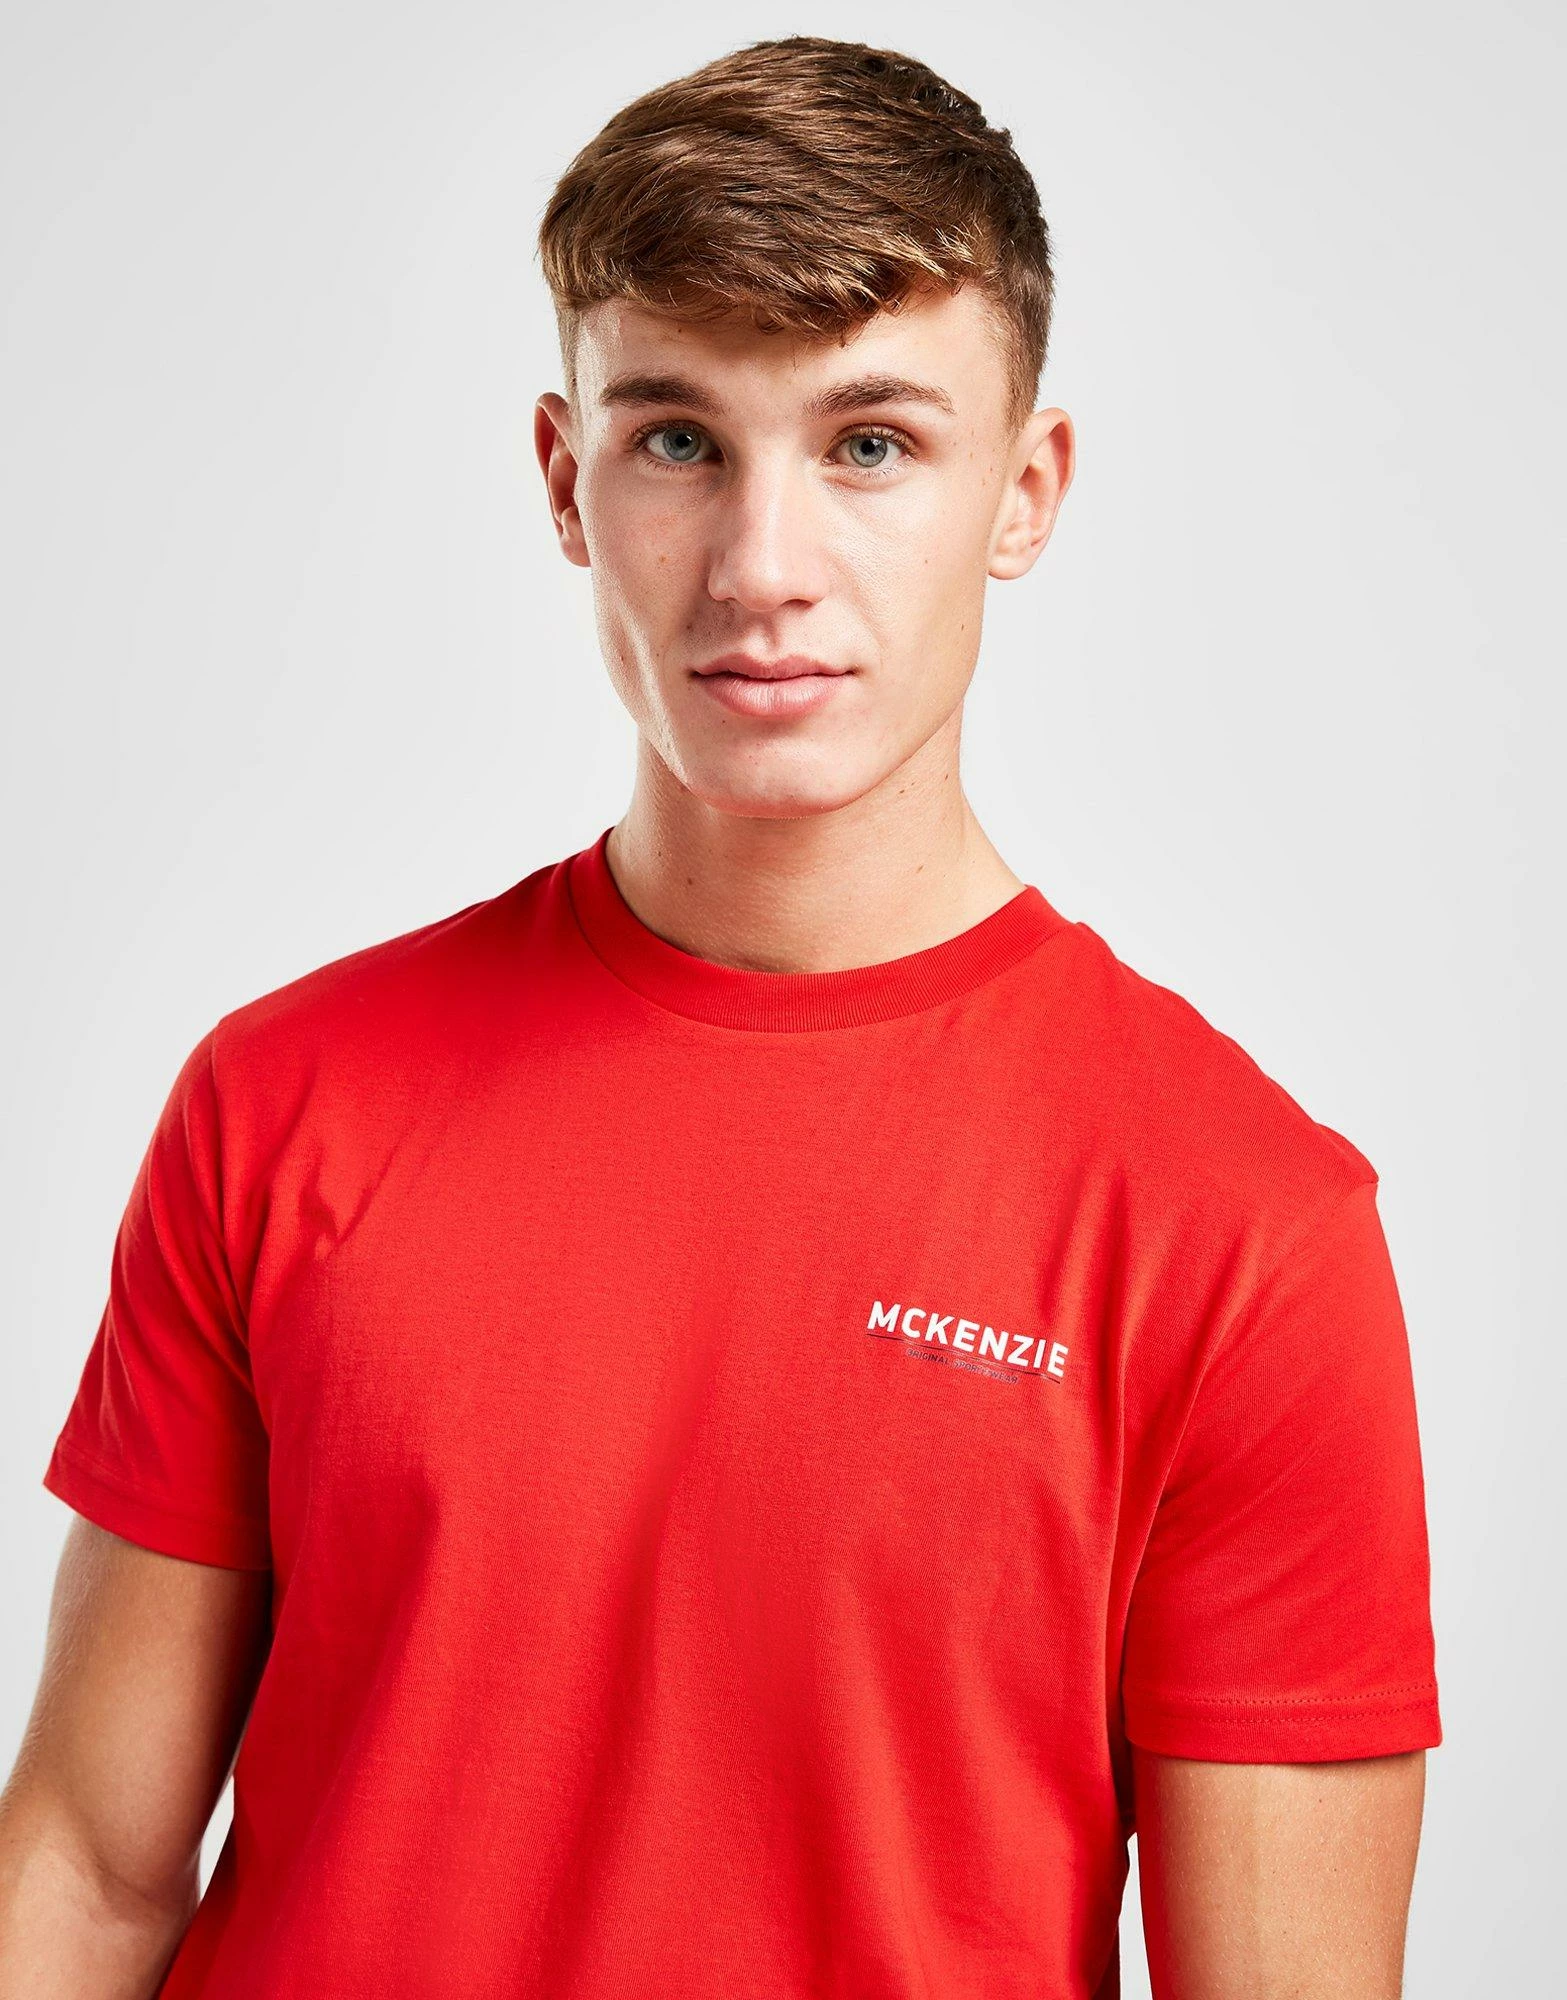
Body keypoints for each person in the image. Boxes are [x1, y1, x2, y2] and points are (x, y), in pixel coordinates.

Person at [0, 34, 1441, 2000]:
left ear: (1023, 492)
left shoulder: (1240, 1227)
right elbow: (86, 1873)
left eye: (870, 446)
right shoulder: (286, 1101)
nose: (764, 570)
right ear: (564, 478)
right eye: (678, 439)